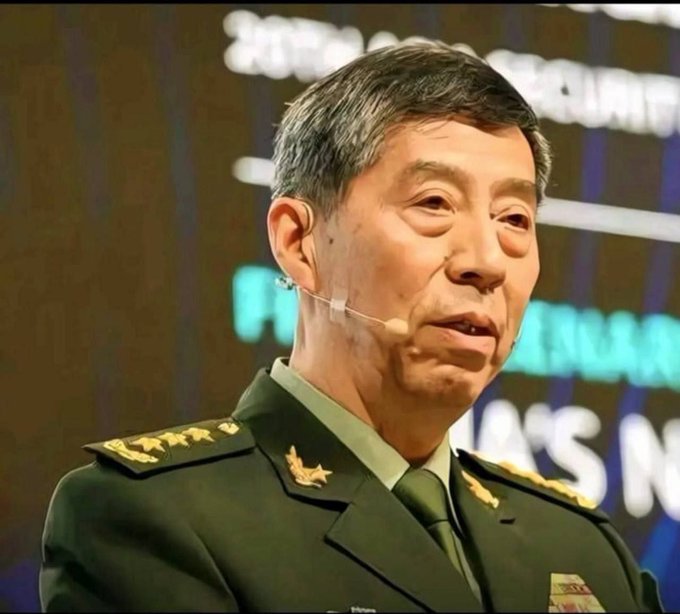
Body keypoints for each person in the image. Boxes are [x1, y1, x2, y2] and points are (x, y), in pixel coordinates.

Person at [39, 40, 664, 613]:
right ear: (299, 241)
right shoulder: (156, 519)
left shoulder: (583, 549)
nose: (486, 261)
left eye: (515, 219)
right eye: (434, 204)